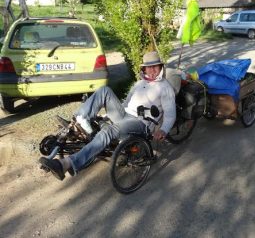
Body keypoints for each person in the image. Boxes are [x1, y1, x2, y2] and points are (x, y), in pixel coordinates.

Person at [39, 51, 176, 180]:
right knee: (105, 90)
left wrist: (163, 130)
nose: (152, 71)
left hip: (141, 123)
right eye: (148, 67)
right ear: (144, 69)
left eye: (155, 67)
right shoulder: (139, 83)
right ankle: (81, 120)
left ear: (160, 67)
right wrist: (107, 115)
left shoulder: (165, 88)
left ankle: (67, 164)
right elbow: (126, 103)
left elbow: (170, 114)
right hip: (125, 114)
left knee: (108, 131)